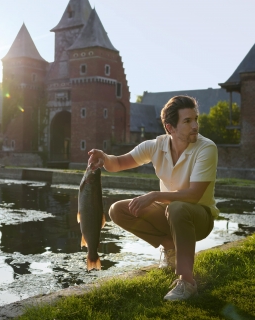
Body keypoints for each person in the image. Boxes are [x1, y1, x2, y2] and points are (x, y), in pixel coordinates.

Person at [88, 95, 219, 301]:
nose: (195, 126)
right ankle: (170, 248)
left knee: (178, 207)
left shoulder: (206, 148)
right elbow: (119, 163)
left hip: (199, 218)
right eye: (187, 121)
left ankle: (187, 282)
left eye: (195, 119)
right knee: (118, 210)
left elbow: (194, 195)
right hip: (170, 214)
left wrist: (155, 196)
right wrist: (104, 158)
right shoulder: (155, 146)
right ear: (170, 128)